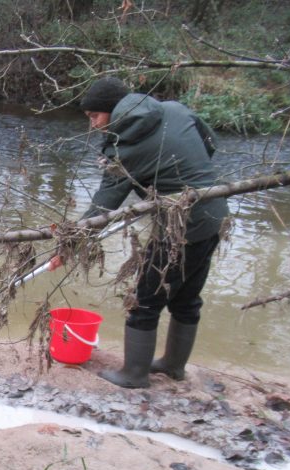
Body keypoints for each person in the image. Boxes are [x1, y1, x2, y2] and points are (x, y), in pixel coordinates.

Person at [76, 76, 229, 388]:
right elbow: (209, 142)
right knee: (187, 298)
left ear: (112, 111)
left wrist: (72, 243)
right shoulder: (175, 109)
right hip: (214, 211)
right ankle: (173, 366)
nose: (93, 125)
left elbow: (103, 207)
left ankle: (134, 374)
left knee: (145, 298)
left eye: (94, 116)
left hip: (180, 227)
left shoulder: (124, 150)